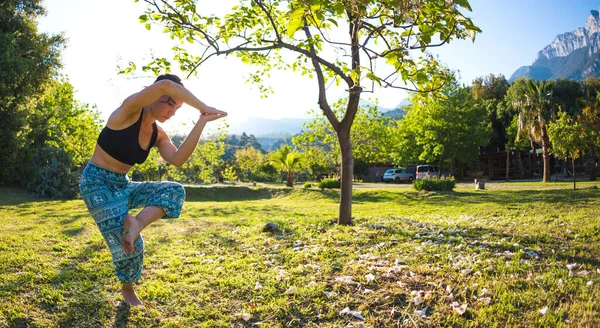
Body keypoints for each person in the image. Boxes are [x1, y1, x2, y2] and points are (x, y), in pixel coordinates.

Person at [79, 74, 226, 306]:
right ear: (153, 94)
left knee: (174, 191)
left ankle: (137, 223)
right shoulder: (128, 111)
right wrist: (203, 105)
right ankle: (127, 290)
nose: (172, 111)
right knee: (129, 244)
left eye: (177, 108)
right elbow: (166, 85)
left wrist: (202, 120)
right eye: (169, 103)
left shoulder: (158, 134)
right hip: (96, 184)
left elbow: (177, 159)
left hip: (123, 184)